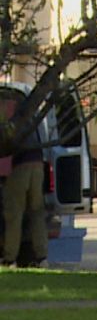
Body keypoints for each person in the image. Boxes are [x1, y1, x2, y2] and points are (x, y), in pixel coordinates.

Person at [0, 95, 47, 268]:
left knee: (14, 212)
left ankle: (9, 258)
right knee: (37, 212)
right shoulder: (31, 116)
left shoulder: (11, 119)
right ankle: (42, 256)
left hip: (21, 165)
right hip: (38, 164)